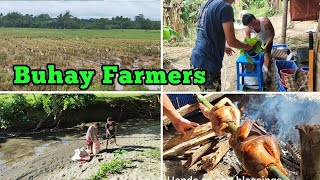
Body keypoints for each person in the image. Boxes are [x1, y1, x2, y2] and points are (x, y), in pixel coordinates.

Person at [190, 0, 253, 91]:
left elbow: (205, 32)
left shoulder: (206, 5)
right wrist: (247, 46)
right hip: (208, 64)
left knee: (205, 92)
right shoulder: (225, 7)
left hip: (195, 60)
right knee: (213, 99)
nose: (235, 1)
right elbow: (231, 41)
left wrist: (223, 46)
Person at [242, 13, 275, 81]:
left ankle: (265, 74)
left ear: (254, 20)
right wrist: (248, 46)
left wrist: (266, 46)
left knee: (266, 55)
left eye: (250, 25)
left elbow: (272, 34)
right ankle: (258, 68)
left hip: (267, 40)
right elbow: (248, 41)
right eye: (248, 26)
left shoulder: (265, 22)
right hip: (258, 40)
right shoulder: (248, 28)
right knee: (253, 54)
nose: (249, 27)